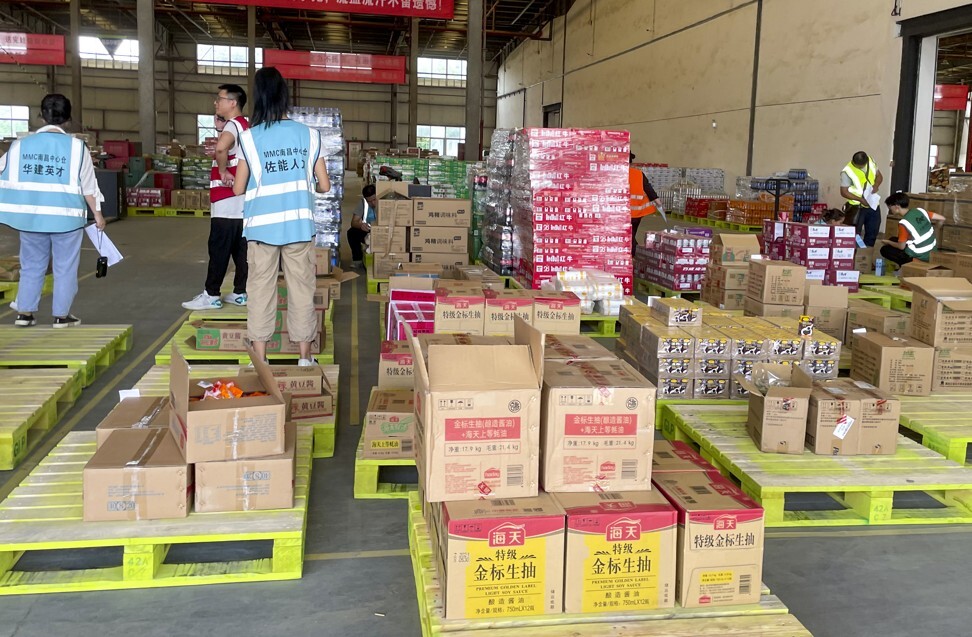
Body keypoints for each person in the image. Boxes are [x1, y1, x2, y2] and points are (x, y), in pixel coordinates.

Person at [234, 67, 330, 366]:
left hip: (261, 231)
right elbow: (325, 185)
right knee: (302, 290)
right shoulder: (310, 136)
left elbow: (238, 187)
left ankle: (260, 360)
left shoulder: (249, 139)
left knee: (260, 291)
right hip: (299, 229)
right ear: (285, 95)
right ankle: (304, 357)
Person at [0, 94, 105, 328]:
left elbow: (3, 173)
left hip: (31, 219)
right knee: (64, 266)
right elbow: (88, 186)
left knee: (32, 264)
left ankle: (25, 313)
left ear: (41, 116)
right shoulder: (77, 148)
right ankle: (61, 315)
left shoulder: (20, 145)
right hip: (66, 220)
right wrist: (97, 214)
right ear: (67, 119)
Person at [183, 84, 250, 310]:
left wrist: (222, 171)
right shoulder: (245, 125)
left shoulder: (232, 125)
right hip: (242, 203)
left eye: (219, 99)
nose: (216, 103)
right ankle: (241, 292)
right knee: (241, 250)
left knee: (219, 248)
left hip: (226, 200)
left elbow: (221, 149)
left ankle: (211, 295)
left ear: (233, 102)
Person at [880, 192, 945, 267]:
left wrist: (887, 242)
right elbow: (942, 218)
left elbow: (901, 247)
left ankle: (912, 263)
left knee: (885, 250)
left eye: (890, 207)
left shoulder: (904, 223)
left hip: (921, 255)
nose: (890, 210)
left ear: (896, 206)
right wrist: (936, 230)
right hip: (932, 251)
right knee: (893, 239)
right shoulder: (919, 211)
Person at [840, 151, 883, 246]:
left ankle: (866, 256)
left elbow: (879, 176)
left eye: (862, 166)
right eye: (858, 166)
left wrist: (876, 185)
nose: (860, 168)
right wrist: (860, 199)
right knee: (854, 235)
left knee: (873, 232)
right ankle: (854, 256)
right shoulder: (847, 171)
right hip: (856, 207)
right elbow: (844, 192)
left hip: (872, 204)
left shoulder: (871, 161)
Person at [629, 152, 663, 255]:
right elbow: (648, 188)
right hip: (636, 214)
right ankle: (635, 254)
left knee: (629, 236)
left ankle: (635, 255)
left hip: (622, 213)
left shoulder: (616, 173)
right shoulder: (638, 173)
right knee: (631, 234)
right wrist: (659, 203)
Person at [347, 183, 377, 269]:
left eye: (374, 199)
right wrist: (360, 225)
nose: (373, 203)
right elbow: (353, 222)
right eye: (369, 201)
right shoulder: (362, 204)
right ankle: (357, 259)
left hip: (384, 231)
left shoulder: (384, 202)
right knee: (351, 233)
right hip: (369, 231)